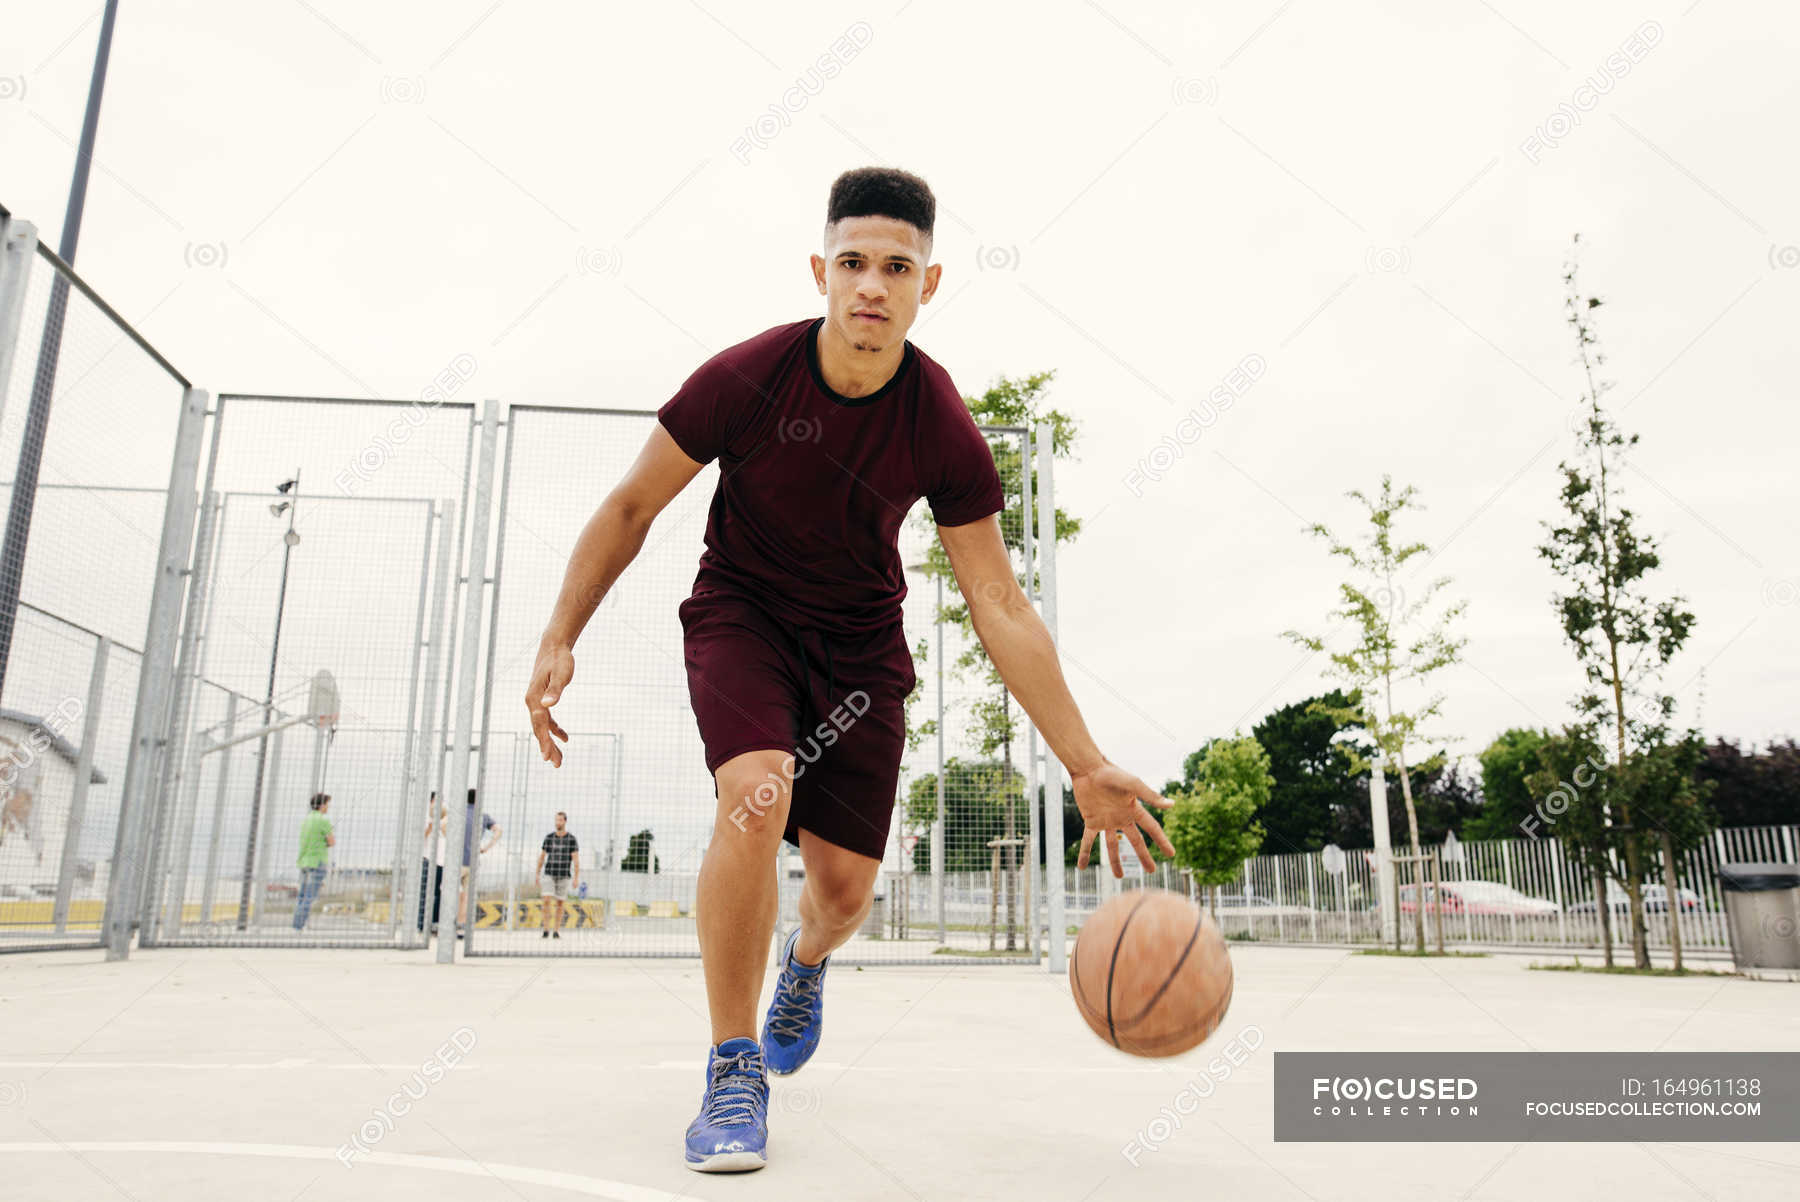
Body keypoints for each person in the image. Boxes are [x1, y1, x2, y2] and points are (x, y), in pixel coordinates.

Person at [525, 167, 1174, 1173]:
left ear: (931, 282)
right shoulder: (746, 377)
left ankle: (807, 962)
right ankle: (733, 1063)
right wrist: (562, 630)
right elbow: (629, 506)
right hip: (743, 613)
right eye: (855, 263)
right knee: (754, 789)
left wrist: (1082, 759)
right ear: (820, 270)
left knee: (842, 889)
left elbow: (997, 599)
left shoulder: (940, 423)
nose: (874, 284)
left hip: (862, 650)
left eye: (898, 267)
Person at [455, 787, 501, 936]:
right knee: (466, 896)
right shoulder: (483, 816)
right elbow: (498, 830)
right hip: (473, 861)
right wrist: (487, 847)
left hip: (455, 861)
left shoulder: (459, 813)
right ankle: (461, 925)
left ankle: (448, 922)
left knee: (451, 893)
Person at [293, 792, 334, 931]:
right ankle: (300, 925)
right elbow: (331, 841)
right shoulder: (323, 820)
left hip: (304, 861)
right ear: (322, 805)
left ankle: (296, 925)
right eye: (327, 804)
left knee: (302, 895)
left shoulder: (306, 820)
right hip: (317, 861)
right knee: (310, 896)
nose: (328, 807)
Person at [536, 811, 580, 938]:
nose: (558, 823)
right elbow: (542, 856)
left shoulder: (571, 839)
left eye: (560, 820)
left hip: (564, 875)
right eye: (556, 820)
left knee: (560, 903)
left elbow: (576, 859)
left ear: (565, 821)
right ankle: (545, 929)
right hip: (549, 873)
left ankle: (556, 930)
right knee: (546, 900)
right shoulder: (549, 838)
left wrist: (576, 878)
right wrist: (537, 873)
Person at [417, 790, 446, 934]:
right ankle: (422, 923)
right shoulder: (426, 817)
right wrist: (430, 827)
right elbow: (421, 838)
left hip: (442, 861)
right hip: (429, 859)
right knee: (426, 892)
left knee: (438, 893)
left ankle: (434, 923)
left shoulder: (444, 818)